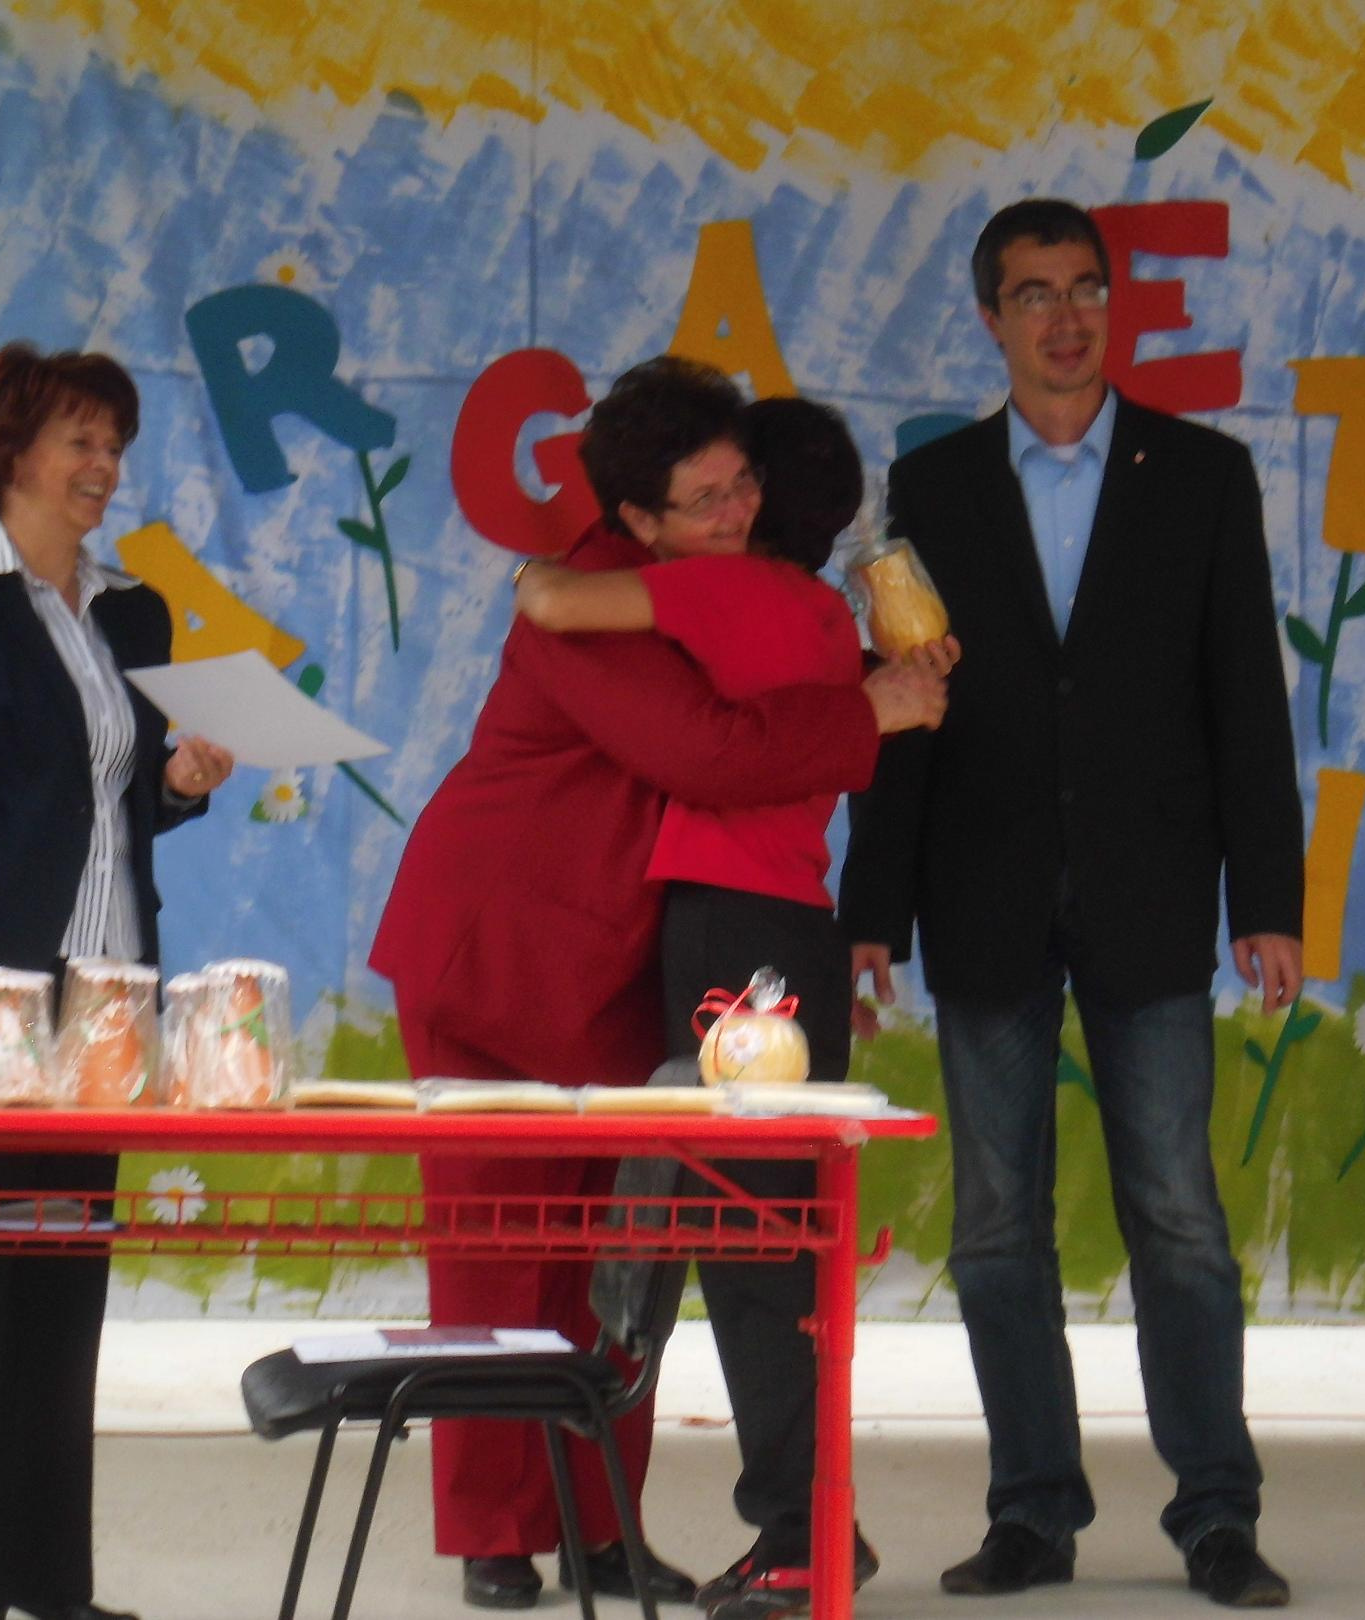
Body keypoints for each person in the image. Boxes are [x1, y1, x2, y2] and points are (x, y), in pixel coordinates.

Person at [370, 359, 949, 1612]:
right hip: (499, 949)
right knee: (495, 1253)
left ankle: (597, 1528)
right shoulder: (585, 605)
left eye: (743, 485)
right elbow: (707, 747)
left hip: (620, 961)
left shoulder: (694, 583)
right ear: (636, 515)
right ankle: (493, 1533)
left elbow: (760, 664)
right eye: (705, 499)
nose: (736, 513)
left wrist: (870, 666)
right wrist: (871, 707)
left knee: (618, 1263)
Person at [836, 198, 1305, 1610]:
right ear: (991, 318)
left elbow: (1246, 699)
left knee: (1180, 1217)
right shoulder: (935, 485)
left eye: (1087, 288)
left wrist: (1268, 898)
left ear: (1114, 305)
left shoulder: (1204, 475)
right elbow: (908, 704)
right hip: (981, 890)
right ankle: (1032, 1511)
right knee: (996, 1227)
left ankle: (1217, 1514)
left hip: (1150, 890)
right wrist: (874, 907)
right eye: (1034, 293)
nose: (1065, 316)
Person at [0, 341, 237, 1620]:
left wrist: (179, 785)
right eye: (81, 440)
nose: (104, 466)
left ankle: (43, 1582)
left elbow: (115, 808)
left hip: (110, 993)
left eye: (115, 444)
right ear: (10, 454)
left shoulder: (132, 612)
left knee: (66, 1285)